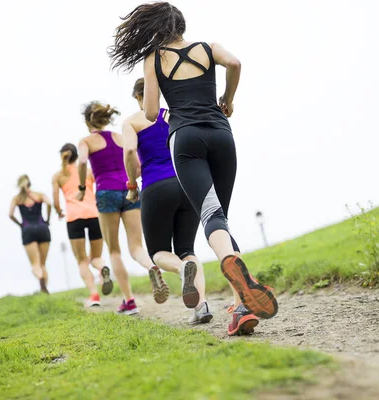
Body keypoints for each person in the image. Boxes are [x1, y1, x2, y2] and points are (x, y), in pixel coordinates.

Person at [109, 2, 278, 335]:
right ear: (182, 25)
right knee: (221, 220)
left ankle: (240, 292)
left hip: (186, 139)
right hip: (221, 134)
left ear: (155, 29)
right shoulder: (208, 47)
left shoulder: (154, 59)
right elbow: (236, 63)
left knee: (211, 217)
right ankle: (242, 307)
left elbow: (151, 111)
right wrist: (228, 98)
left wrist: (157, 94)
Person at [122, 78, 212, 325]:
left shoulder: (131, 121)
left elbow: (129, 152)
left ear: (138, 97)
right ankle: (201, 307)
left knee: (158, 251)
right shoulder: (174, 114)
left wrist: (131, 184)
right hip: (187, 183)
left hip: (155, 187)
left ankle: (183, 272)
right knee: (187, 250)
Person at [76, 101, 169, 315]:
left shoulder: (86, 141)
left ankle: (129, 301)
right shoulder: (120, 137)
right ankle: (150, 266)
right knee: (136, 247)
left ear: (87, 121)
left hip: (106, 193)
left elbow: (81, 163)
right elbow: (136, 165)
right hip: (129, 191)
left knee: (114, 250)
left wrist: (82, 188)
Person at [52, 143, 113, 307]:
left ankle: (94, 295)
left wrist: (59, 212)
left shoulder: (58, 176)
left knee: (82, 261)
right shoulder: (87, 171)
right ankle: (102, 268)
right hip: (94, 215)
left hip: (74, 218)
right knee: (96, 257)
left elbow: (56, 202)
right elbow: (99, 187)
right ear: (76, 155)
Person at [8, 175, 52, 294]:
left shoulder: (17, 199)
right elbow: (49, 204)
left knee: (35, 265)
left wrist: (20, 224)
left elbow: (10, 214)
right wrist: (47, 219)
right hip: (43, 228)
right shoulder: (39, 195)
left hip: (28, 230)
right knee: (43, 264)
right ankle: (45, 291)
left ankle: (40, 279)